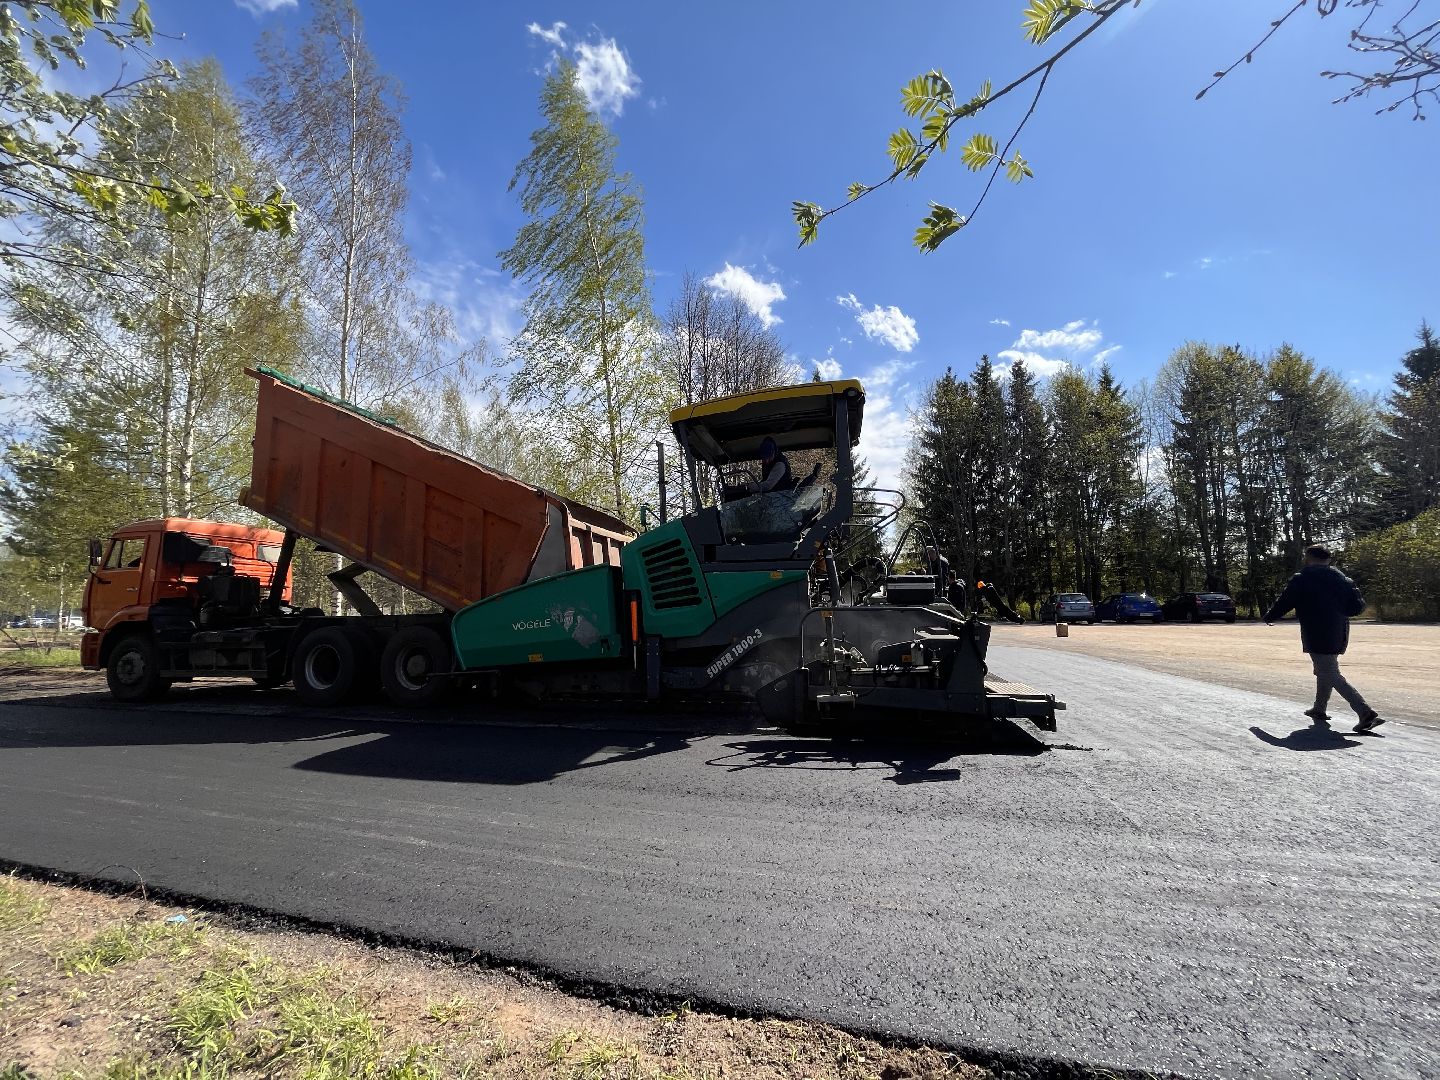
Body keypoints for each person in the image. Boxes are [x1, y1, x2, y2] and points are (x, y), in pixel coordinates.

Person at [1264, 544, 1381, 732]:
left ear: (1309, 558)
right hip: (1339, 629)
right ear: (1329, 559)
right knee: (1324, 668)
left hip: (1316, 630)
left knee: (1329, 671)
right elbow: (1357, 606)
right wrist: (1337, 612)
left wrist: (1270, 617)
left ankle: (1365, 712)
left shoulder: (1303, 578)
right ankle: (1319, 708)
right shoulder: (1342, 578)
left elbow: (1285, 601)